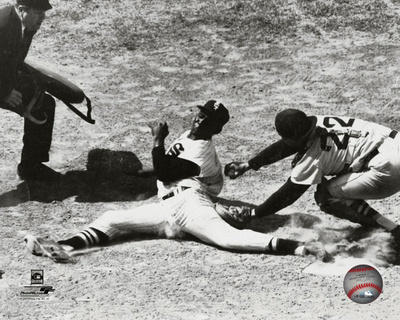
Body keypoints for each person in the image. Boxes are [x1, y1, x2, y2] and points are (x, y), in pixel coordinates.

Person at [24, 101, 330, 262]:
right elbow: (164, 167)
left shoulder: (201, 151)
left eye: (206, 119)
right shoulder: (189, 136)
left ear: (216, 128)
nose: (198, 120)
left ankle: (299, 248)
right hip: (167, 207)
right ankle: (61, 247)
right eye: (199, 115)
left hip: (189, 206)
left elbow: (167, 172)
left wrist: (158, 141)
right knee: (112, 219)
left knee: (226, 239)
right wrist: (138, 171)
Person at [221, 108, 400, 250]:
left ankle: (391, 230)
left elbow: (289, 193)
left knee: (326, 197)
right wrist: (250, 164)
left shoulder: (312, 159)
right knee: (343, 177)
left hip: (388, 168)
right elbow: (288, 144)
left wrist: (254, 214)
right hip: (395, 143)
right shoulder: (320, 121)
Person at [0, 0, 61, 181]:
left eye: (43, 12)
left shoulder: (27, 25)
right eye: (37, 12)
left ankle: (31, 166)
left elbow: (12, 59)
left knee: (43, 104)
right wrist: (4, 92)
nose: (42, 17)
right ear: (21, 10)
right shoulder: (2, 26)